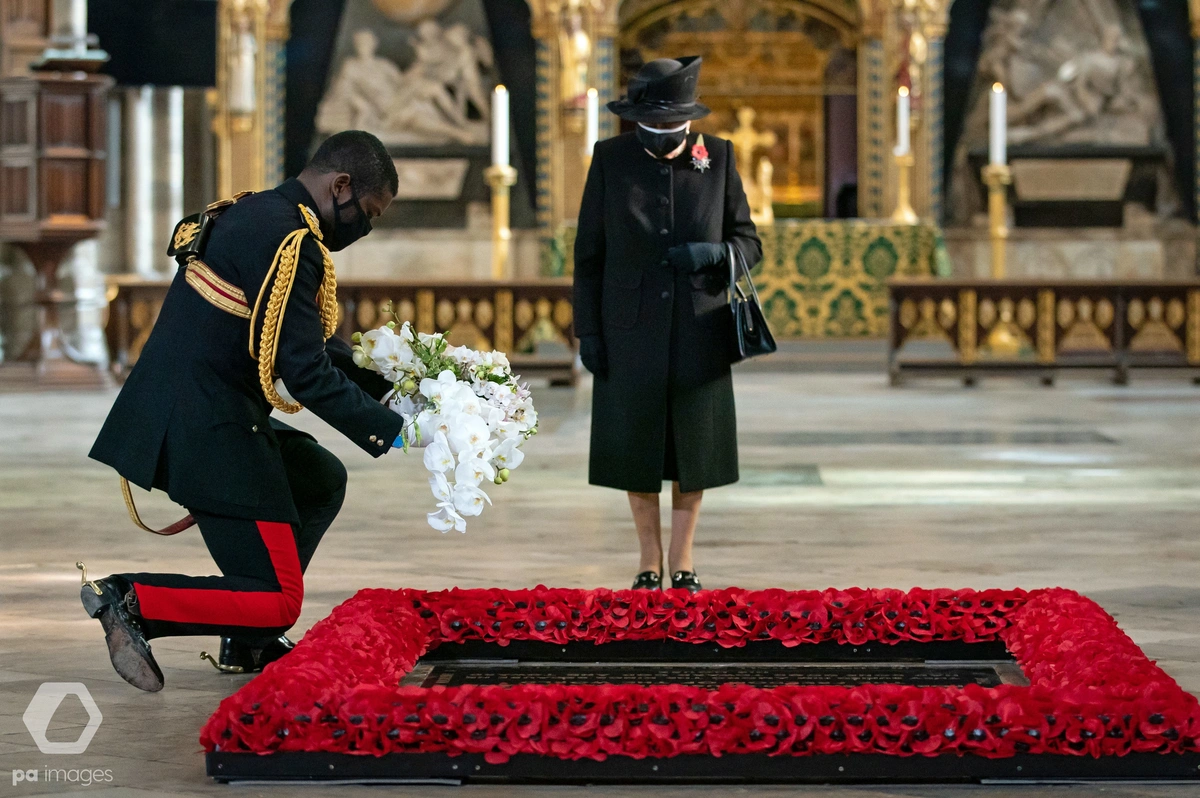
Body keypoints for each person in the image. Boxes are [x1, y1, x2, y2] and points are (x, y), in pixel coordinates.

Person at [82, 131, 404, 691]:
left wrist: (394, 388)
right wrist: (397, 432)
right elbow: (304, 371)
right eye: (367, 213)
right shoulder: (292, 240)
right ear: (341, 185)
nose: (365, 228)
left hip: (190, 404)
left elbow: (301, 339)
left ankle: (245, 638)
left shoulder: (257, 211)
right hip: (204, 421)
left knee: (319, 478)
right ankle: (129, 598)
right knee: (279, 600)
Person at [573, 57, 761, 594]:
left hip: (699, 329)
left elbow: (749, 242)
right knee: (635, 451)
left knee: (693, 453)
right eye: (653, 131)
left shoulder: (718, 157)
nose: (664, 140)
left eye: (673, 131)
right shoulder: (609, 159)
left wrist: (713, 253)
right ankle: (647, 561)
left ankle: (683, 561)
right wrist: (588, 331)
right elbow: (589, 254)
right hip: (627, 330)